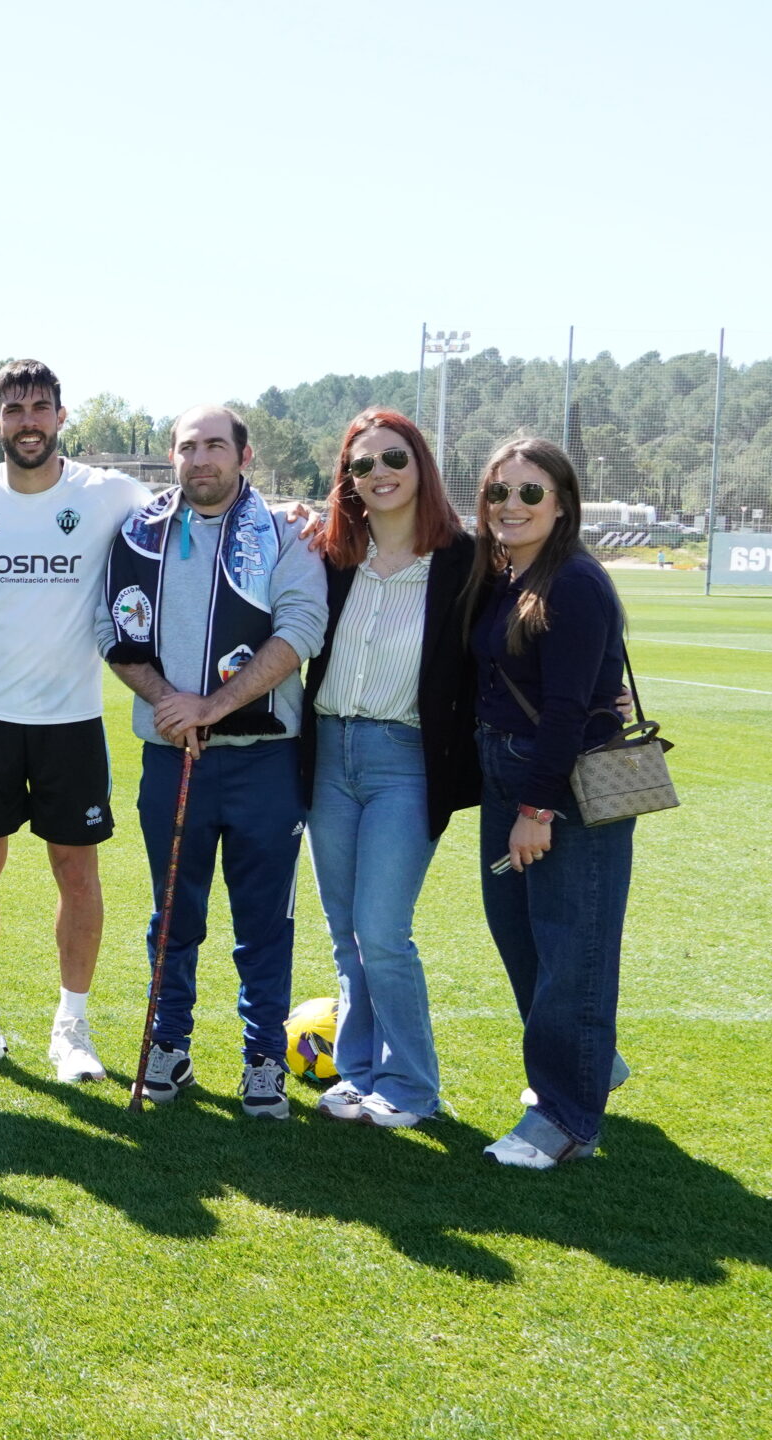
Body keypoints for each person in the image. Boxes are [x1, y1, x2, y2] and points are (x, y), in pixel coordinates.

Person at [0, 359, 149, 1083]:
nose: (28, 421)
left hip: (72, 720)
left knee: (77, 871)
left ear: (59, 416)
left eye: (40, 407)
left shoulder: (109, 494)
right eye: (14, 409)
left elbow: (192, 515)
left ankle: (70, 1030)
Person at [99, 404, 327, 1119]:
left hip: (263, 759)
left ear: (244, 455)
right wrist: (172, 703)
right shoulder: (138, 533)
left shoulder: (286, 531)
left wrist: (212, 707)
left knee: (264, 922)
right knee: (175, 914)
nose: (202, 459)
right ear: (173, 457)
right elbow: (111, 626)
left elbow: (302, 627)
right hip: (173, 757)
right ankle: (169, 1045)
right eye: (188, 447)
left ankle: (264, 1059)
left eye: (216, 446)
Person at [298, 408, 477, 1129]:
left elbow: (524, 627)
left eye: (393, 459)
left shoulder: (464, 562)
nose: (378, 474)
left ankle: (411, 1087)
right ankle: (361, 1070)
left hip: (406, 761)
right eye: (362, 465)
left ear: (421, 465)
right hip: (329, 755)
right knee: (345, 930)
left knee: (382, 928)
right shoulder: (333, 555)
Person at [465, 436, 636, 1169]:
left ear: (562, 503)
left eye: (530, 492)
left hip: (558, 790)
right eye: (499, 492)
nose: (512, 505)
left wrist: (536, 811)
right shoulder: (508, 576)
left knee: (573, 947)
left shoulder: (574, 582)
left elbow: (566, 709)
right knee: (522, 939)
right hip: (508, 777)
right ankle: (587, 1061)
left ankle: (565, 1120)